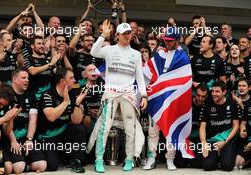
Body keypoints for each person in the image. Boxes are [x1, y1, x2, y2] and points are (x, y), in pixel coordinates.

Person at [89, 20, 147, 173]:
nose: (128, 36)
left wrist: (144, 96)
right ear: (117, 36)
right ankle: (99, 160)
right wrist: (102, 35)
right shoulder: (109, 49)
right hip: (111, 92)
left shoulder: (135, 54)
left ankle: (129, 159)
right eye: (124, 33)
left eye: (129, 33)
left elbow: (140, 77)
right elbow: (93, 52)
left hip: (128, 94)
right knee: (104, 128)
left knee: (130, 129)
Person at [143, 27, 191, 171]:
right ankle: (151, 158)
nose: (167, 43)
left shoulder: (183, 57)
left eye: (170, 41)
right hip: (156, 98)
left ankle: (170, 159)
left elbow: (185, 80)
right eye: (166, 40)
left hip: (173, 99)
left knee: (172, 129)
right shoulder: (159, 55)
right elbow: (147, 73)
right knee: (153, 131)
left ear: (177, 40)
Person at [37, 67, 87, 173]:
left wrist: (76, 104)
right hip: (48, 136)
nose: (74, 80)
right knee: (52, 166)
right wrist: (65, 102)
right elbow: (51, 117)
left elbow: (76, 121)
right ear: (62, 81)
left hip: (63, 133)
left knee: (79, 129)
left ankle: (76, 161)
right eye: (71, 78)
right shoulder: (47, 95)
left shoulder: (72, 93)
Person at [3, 68, 46, 174]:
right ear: (14, 79)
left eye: (28, 78)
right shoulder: (6, 94)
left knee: (42, 165)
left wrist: (29, 139)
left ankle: (25, 161)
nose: (27, 80)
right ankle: (21, 162)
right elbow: (4, 122)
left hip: (24, 139)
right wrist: (13, 141)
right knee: (18, 168)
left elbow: (33, 120)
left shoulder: (31, 96)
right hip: (9, 138)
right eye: (23, 78)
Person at [199, 81, 241, 171]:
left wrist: (225, 141)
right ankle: (215, 157)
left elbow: (236, 126)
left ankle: (222, 156)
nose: (214, 94)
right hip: (211, 140)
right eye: (213, 91)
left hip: (227, 140)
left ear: (224, 92)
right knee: (207, 166)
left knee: (227, 166)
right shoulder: (208, 104)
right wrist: (203, 143)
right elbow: (202, 126)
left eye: (217, 91)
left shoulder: (232, 104)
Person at [0, 84, 20, 175]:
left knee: (6, 169)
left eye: (4, 105)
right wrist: (3, 119)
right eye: (0, 103)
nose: (1, 107)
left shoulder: (4, 106)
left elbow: (7, 131)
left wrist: (11, 118)